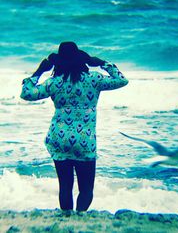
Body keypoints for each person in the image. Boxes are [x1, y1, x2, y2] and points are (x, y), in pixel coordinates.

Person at [20, 42, 129, 211]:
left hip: (58, 137)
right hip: (84, 140)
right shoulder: (94, 79)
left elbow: (26, 93)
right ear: (82, 60)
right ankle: (80, 217)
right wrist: (103, 63)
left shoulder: (54, 82)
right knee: (86, 190)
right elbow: (122, 80)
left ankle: (67, 219)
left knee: (65, 187)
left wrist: (40, 71)